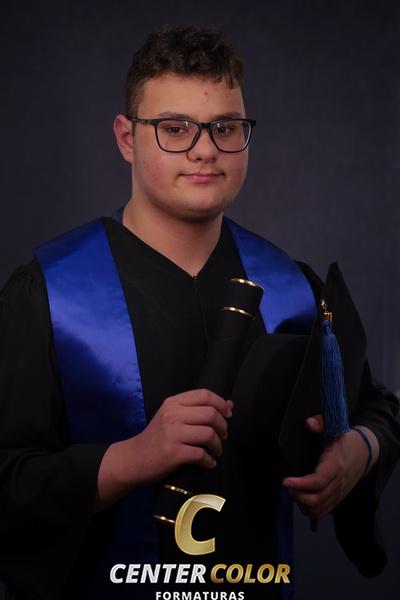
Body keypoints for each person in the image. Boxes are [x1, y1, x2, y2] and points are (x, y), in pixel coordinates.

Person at [0, 25, 398, 600]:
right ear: (126, 138)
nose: (205, 149)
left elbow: (375, 408)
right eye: (175, 128)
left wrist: (358, 451)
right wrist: (131, 459)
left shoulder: (291, 289)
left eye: (225, 127)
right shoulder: (51, 292)